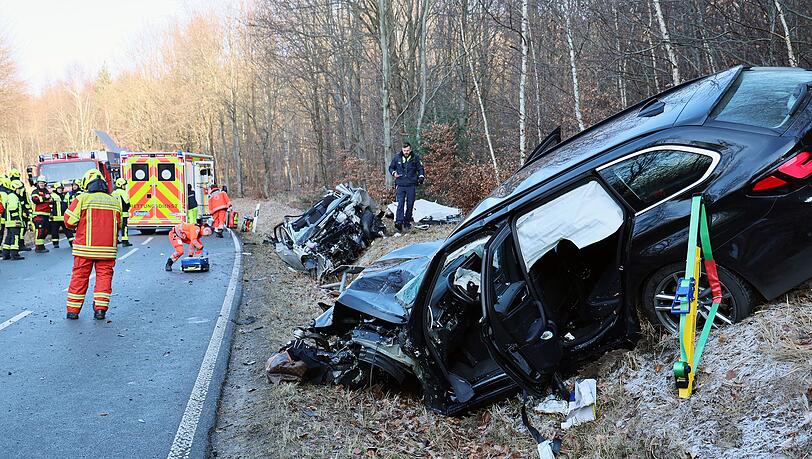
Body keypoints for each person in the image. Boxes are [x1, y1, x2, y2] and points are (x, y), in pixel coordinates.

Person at [64, 169, 121, 320]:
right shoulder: (114, 201)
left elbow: (69, 221)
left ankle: (73, 311)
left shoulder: (82, 198)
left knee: (79, 278)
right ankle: (100, 310)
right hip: (107, 250)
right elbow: (119, 225)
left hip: (85, 249)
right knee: (104, 278)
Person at [388, 142, 425, 232]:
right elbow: (391, 168)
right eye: (404, 150)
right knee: (400, 203)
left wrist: (421, 177)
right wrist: (394, 173)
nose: (406, 152)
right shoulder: (397, 158)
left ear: (410, 149)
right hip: (400, 184)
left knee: (410, 204)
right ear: (402, 150)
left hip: (411, 184)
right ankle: (399, 222)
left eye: (408, 150)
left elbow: (420, 169)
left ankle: (407, 222)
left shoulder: (415, 158)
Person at [7, 168, 32, 252]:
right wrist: (28, 209)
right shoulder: (20, 184)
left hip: (8, 210)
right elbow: (25, 197)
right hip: (19, 209)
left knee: (10, 232)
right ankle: (20, 245)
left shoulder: (8, 183)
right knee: (22, 227)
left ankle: (10, 248)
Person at [2, 180, 26, 260]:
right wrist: (17, 220)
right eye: (19, 189)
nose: (20, 190)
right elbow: (13, 209)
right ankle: (14, 254)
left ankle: (5, 254)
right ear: (15, 189)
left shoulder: (10, 196)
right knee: (15, 237)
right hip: (14, 222)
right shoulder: (13, 196)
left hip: (9, 222)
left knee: (9, 237)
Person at [30, 176, 52, 253]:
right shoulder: (35, 191)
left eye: (43, 183)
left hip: (46, 214)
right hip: (38, 214)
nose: (42, 184)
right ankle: (39, 247)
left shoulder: (47, 191)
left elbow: (50, 201)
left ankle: (41, 245)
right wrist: (45, 198)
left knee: (45, 231)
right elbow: (35, 200)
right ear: (38, 183)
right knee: (40, 231)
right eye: (40, 183)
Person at [49, 181, 74, 248]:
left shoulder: (65, 196)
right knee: (54, 231)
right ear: (56, 189)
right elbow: (49, 206)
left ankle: (72, 243)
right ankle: (55, 243)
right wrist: (50, 214)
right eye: (58, 188)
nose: (60, 190)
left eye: (61, 188)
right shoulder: (52, 196)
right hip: (55, 217)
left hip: (64, 217)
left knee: (68, 231)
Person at [111, 178, 132, 247]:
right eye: (124, 185)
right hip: (123, 213)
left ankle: (116, 240)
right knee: (124, 227)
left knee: (115, 227)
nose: (125, 186)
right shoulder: (123, 192)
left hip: (115, 213)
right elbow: (127, 203)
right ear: (121, 185)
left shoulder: (113, 193)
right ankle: (125, 241)